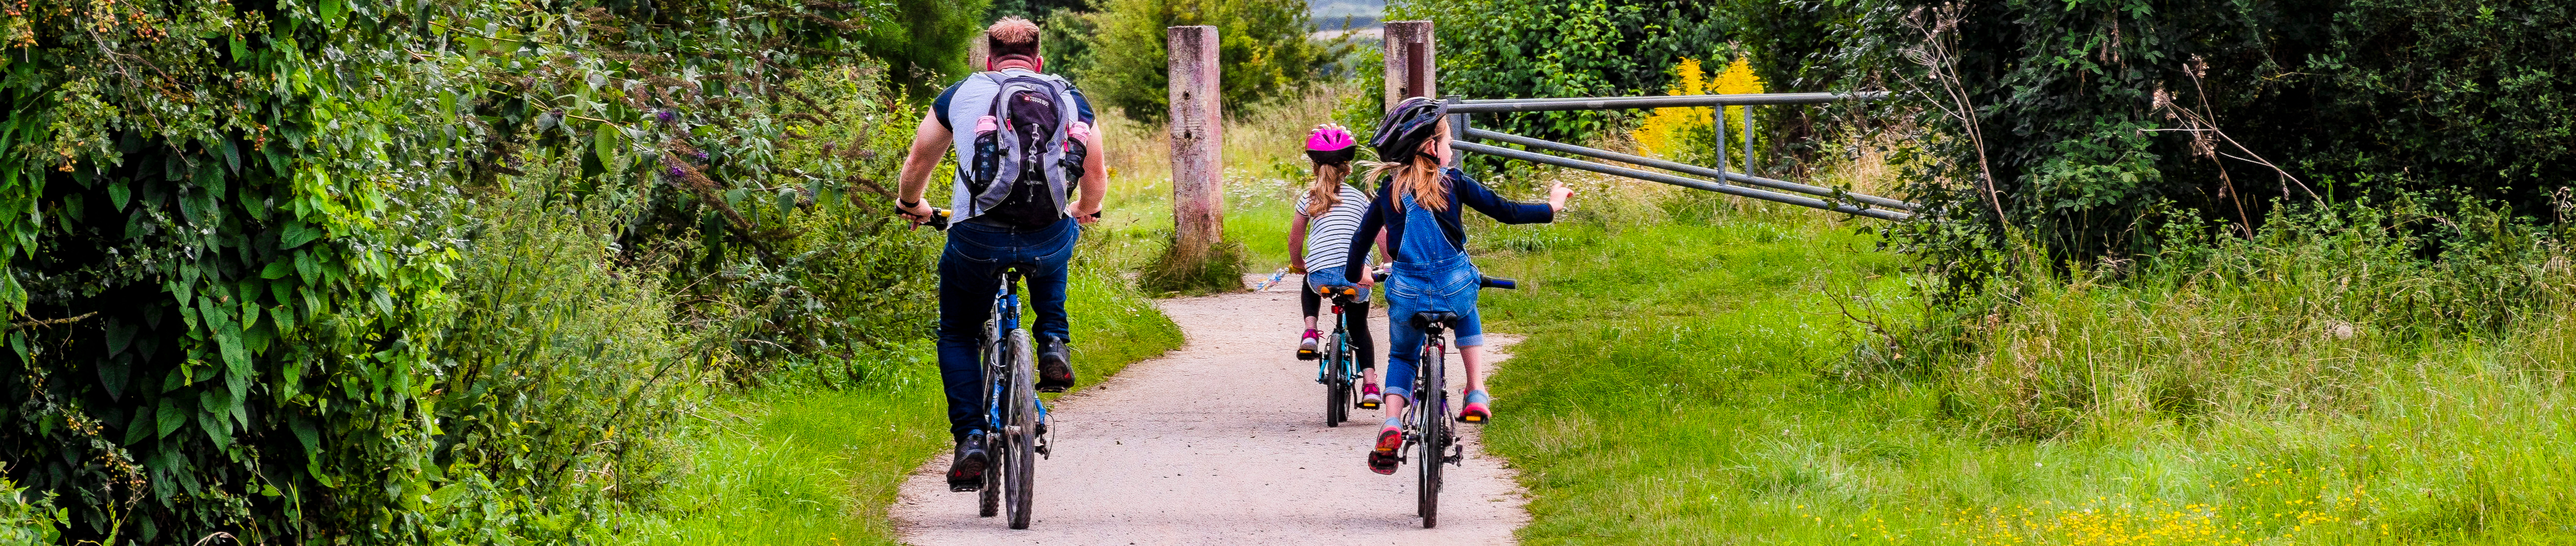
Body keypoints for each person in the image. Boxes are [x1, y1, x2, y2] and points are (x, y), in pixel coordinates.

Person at [893, 16, 1107, 492]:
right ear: (1039, 60)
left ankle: (970, 437)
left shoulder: (961, 93)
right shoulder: (1070, 97)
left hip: (976, 238)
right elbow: (1094, 174)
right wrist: (1084, 212)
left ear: (987, 60)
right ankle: (1052, 340)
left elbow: (918, 162)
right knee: (1059, 238)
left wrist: (912, 204)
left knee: (957, 333)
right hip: (1045, 235)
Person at [1338, 98, 1572, 474]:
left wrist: (1357, 275)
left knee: (1401, 357)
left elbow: (1360, 242)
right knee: (1468, 298)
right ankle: (1476, 391)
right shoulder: (1456, 183)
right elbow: (1507, 212)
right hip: (1454, 288)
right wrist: (1552, 207)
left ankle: (1393, 423)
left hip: (1407, 295)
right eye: (1448, 141)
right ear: (1432, 148)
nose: (1451, 149)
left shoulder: (1388, 191)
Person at [1288, 124, 1391, 408]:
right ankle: (1370, 385)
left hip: (1321, 274)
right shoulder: (1361, 198)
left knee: (1309, 278)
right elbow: (1379, 232)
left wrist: (1299, 264)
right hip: (1356, 277)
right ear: (1348, 167)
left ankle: (1310, 331)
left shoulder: (1308, 199)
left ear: (1314, 166)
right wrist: (1387, 262)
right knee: (1360, 327)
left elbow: (1296, 236)